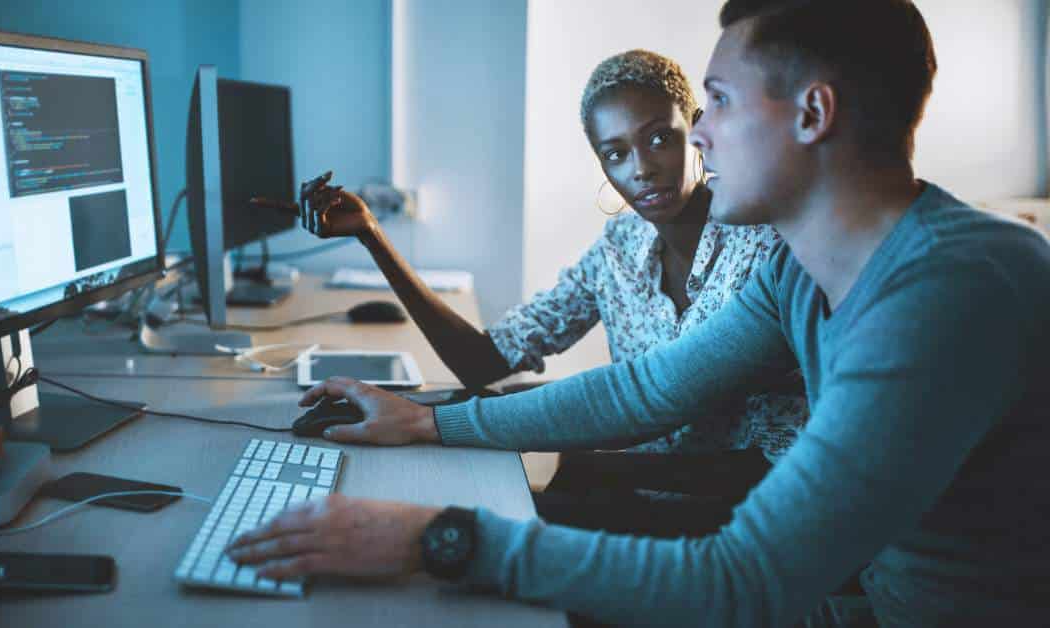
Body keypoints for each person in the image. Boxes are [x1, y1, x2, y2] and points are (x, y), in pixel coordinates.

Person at [228, 1, 1050, 625]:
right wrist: (428, 425)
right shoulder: (803, 271)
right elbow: (639, 394)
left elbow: (744, 578)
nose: (700, 139)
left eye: (718, 103)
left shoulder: (952, 288)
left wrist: (436, 536)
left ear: (813, 114)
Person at [298, 51, 807, 536]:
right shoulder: (620, 247)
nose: (642, 169)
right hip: (652, 490)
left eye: (659, 139)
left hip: (748, 517)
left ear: (694, 128)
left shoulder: (766, 244)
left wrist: (604, 471)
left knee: (471, 519)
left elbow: (655, 403)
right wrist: (371, 234)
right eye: (616, 153)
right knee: (460, 491)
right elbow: (484, 361)